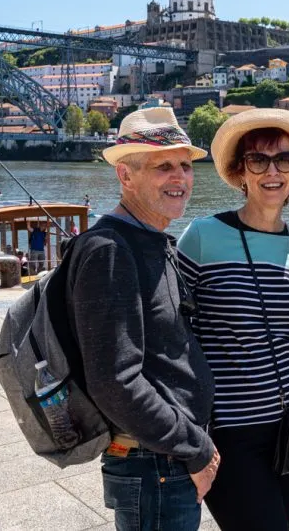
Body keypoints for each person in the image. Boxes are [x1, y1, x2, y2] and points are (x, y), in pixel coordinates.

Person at [67, 106, 219, 531]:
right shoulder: (110, 250)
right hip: (155, 462)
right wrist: (195, 449)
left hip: (165, 459)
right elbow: (115, 380)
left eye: (185, 166)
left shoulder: (152, 241)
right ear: (126, 176)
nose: (180, 178)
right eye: (163, 166)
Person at [177, 109, 289, 531]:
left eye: (284, 159)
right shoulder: (203, 236)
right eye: (258, 160)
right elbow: (171, 328)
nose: (271, 170)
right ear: (241, 171)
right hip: (230, 430)